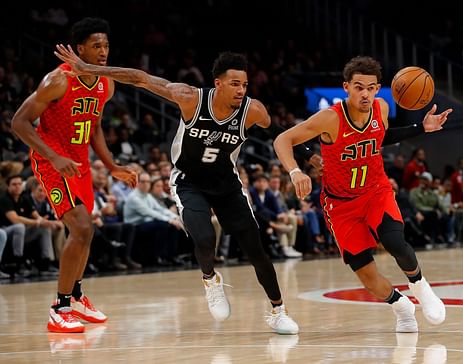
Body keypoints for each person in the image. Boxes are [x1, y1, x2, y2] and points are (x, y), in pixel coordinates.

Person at [54, 46, 324, 334]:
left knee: (255, 248)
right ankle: (211, 279)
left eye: (244, 85)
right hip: (188, 181)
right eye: (234, 84)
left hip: (226, 183)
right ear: (218, 83)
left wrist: (308, 155)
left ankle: (277, 310)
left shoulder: (252, 110)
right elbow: (139, 78)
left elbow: (279, 130)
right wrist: (89, 69)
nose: (241, 90)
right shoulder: (191, 99)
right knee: (204, 236)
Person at [273, 55, 452, 333]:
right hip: (340, 204)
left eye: (370, 88)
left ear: (378, 89)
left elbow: (383, 135)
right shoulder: (330, 118)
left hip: (375, 191)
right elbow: (283, 139)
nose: (365, 93)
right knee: (367, 276)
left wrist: (422, 127)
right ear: (346, 87)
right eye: (359, 87)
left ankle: (422, 288)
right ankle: (402, 306)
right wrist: (296, 171)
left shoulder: (380, 108)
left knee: (394, 241)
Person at [11, 18, 137, 333]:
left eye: (106, 45)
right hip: (51, 161)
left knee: (86, 232)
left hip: (78, 162)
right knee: (80, 227)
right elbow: (19, 122)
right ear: (79, 49)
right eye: (96, 46)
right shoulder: (58, 80)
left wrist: (112, 166)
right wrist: (53, 156)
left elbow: (94, 128)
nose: (104, 51)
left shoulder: (106, 85)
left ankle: (77, 297)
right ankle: (60, 307)